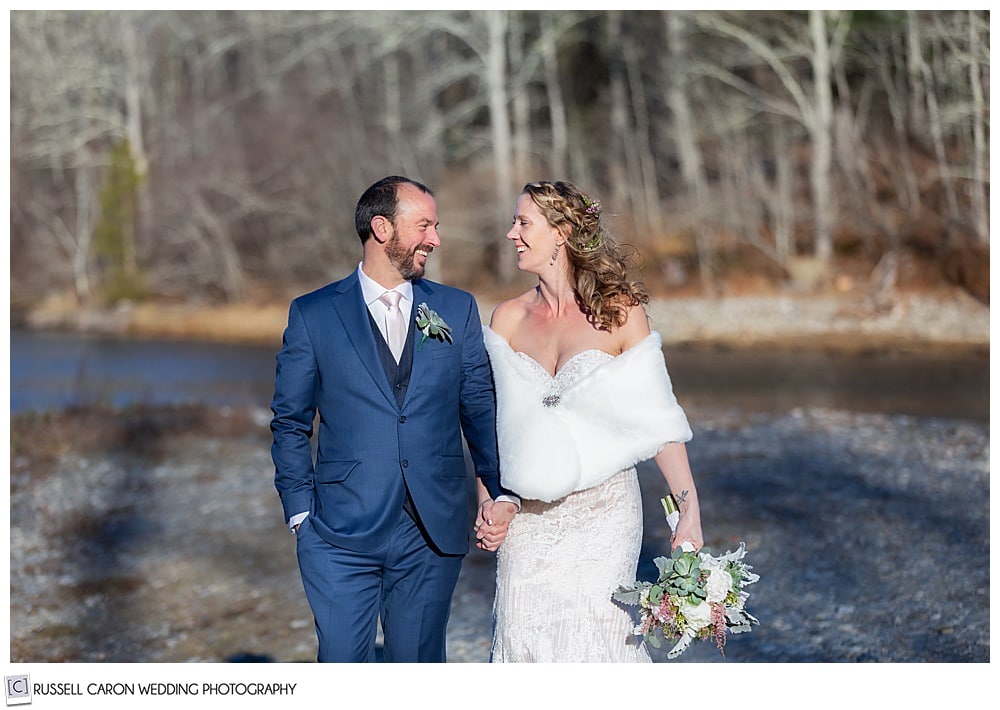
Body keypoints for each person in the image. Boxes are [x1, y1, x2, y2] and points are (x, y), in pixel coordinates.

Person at [270, 175, 518, 662]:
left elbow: (480, 407)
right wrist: (301, 512)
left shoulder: (456, 308)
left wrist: (501, 488)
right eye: (424, 225)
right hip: (339, 532)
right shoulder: (313, 314)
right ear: (381, 228)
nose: (436, 238)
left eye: (437, 226)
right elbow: (290, 421)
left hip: (431, 529)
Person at [474, 180, 704, 662]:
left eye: (523, 223)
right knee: (523, 638)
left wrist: (688, 510)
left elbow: (658, 421)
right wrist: (491, 500)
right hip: (529, 521)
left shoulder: (619, 313)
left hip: (605, 517)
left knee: (600, 641)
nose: (511, 233)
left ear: (560, 233)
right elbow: (488, 428)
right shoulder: (507, 320)